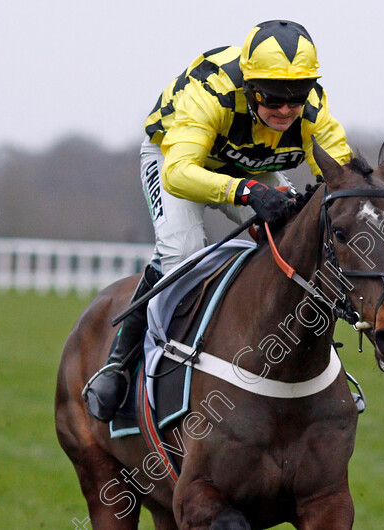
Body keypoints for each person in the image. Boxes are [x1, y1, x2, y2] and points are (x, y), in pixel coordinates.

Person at [83, 20, 354, 422]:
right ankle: (120, 361)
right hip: (175, 158)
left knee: (296, 241)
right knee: (184, 251)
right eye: (273, 98)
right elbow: (179, 173)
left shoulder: (312, 107)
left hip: (251, 165)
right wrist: (245, 192)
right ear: (249, 86)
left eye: (295, 98)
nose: (285, 110)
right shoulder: (210, 92)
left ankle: (314, 365)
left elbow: (341, 178)